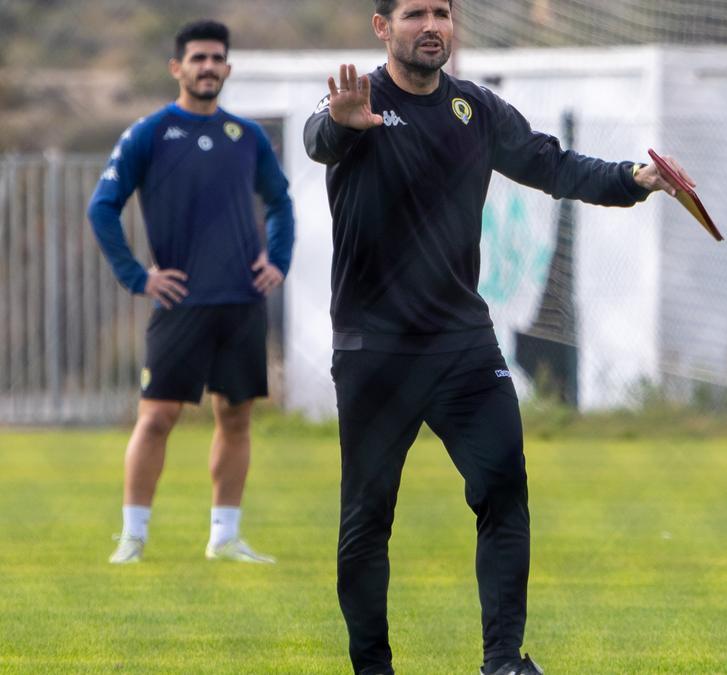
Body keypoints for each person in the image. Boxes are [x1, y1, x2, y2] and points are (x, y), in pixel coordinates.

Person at [303, 1, 692, 672]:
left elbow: (553, 165)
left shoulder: (475, 110)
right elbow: (321, 137)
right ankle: (372, 666)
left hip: (462, 343)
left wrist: (635, 178)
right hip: (377, 351)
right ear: (382, 27)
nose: (432, 26)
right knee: (368, 517)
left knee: (504, 486)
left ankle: (504, 660)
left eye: (442, 13)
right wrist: (339, 127)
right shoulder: (356, 102)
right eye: (414, 14)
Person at [88, 19, 295, 565]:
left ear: (227, 67)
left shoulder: (246, 136)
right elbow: (101, 208)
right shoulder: (150, 134)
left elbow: (281, 202)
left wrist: (278, 259)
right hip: (179, 304)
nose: (208, 67)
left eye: (217, 58)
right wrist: (138, 277)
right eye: (197, 58)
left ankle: (224, 538)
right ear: (177, 68)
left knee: (236, 417)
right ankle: (133, 538)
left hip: (242, 303)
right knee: (156, 418)